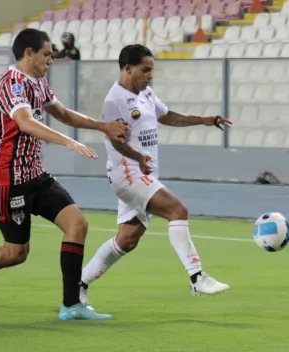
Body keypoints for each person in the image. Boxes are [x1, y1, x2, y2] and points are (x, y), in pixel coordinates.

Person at [0, 28, 128, 320]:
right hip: (7, 180)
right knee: (15, 253)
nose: (51, 59)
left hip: (35, 175)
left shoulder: (38, 82)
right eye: (47, 54)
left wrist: (103, 127)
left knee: (78, 225)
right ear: (29, 54)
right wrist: (67, 140)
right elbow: (24, 122)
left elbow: (63, 114)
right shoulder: (12, 83)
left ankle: (71, 305)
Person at [79, 45, 232, 309]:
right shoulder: (114, 100)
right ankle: (197, 276)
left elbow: (168, 116)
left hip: (140, 172)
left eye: (152, 70)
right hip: (128, 173)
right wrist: (138, 158)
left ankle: (78, 285)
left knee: (127, 239)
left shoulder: (146, 92)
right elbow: (115, 141)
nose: (150, 75)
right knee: (177, 210)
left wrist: (206, 120)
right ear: (128, 69)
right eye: (145, 70)